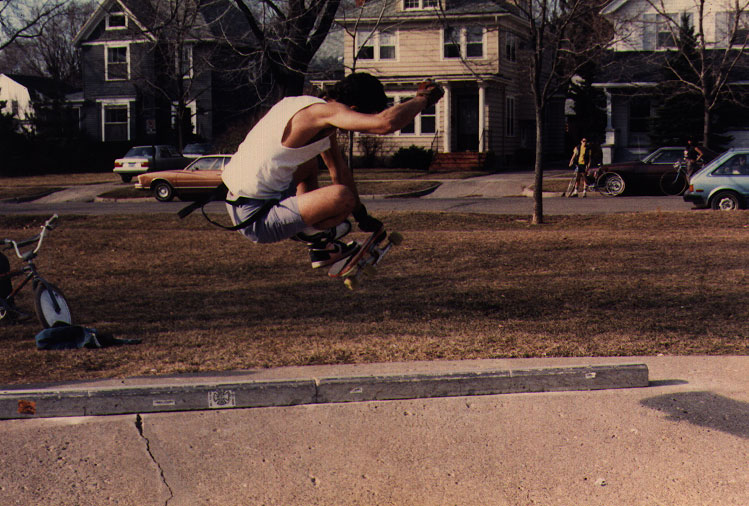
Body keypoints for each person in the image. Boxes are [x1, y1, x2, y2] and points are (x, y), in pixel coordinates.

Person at [221, 73, 444, 268]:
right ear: (353, 110)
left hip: (240, 203)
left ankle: (316, 240)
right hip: (258, 218)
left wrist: (361, 215)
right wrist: (423, 99)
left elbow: (338, 169)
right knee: (342, 199)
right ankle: (316, 237)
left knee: (310, 166)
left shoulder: (301, 106)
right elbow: (384, 123)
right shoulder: (326, 113)